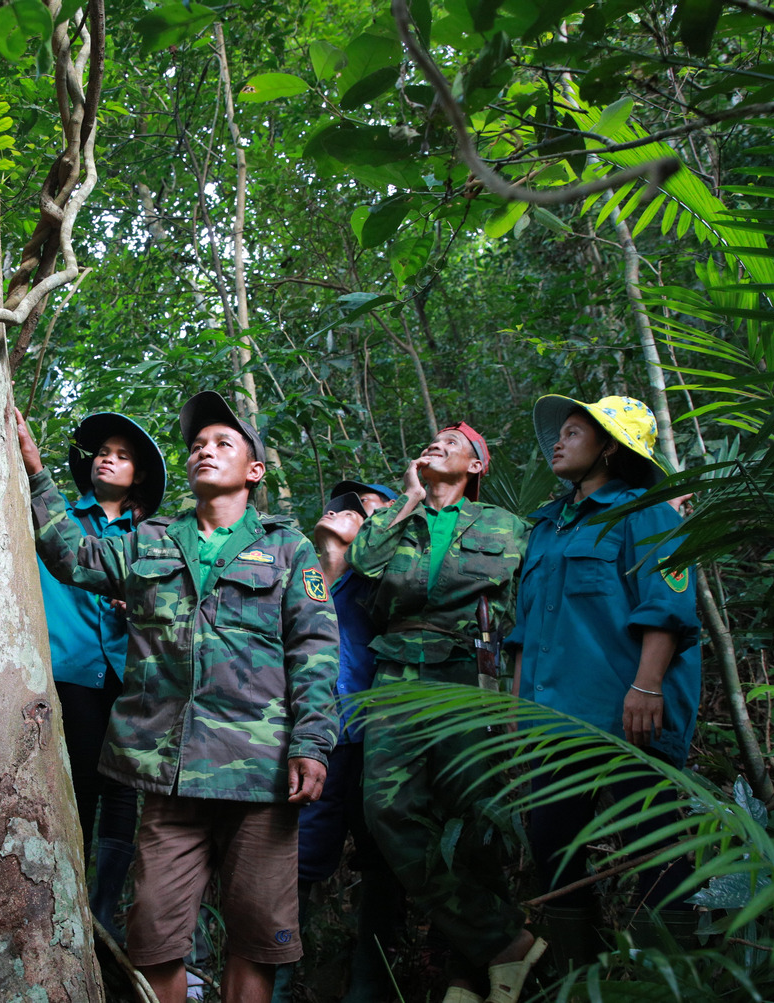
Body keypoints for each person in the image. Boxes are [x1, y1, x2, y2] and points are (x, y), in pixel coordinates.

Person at [16, 390, 339, 1003]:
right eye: (196, 445)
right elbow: (72, 557)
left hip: (260, 776)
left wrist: (314, 744)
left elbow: (316, 650)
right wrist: (36, 473)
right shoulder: (153, 539)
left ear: (255, 469)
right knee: (155, 936)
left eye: (223, 444)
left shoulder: (289, 549)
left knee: (254, 939)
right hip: (170, 773)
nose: (204, 452)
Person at [343, 424, 543, 1003]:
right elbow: (364, 558)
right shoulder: (396, 520)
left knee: (477, 819)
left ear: (477, 467)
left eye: (451, 444)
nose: (435, 445)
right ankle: (504, 940)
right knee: (387, 809)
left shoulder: (508, 526)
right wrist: (407, 498)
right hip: (398, 673)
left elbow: (528, 604)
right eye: (429, 441)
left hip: (471, 672)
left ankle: (470, 974)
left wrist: (517, 696)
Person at [506, 395, 701, 961]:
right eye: (560, 433)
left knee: (655, 843)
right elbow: (526, 626)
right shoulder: (546, 526)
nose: (558, 443)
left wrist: (646, 687)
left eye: (574, 432)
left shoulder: (648, 511)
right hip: (555, 717)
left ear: (609, 448)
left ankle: (667, 978)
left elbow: (667, 605)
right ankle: (577, 971)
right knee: (552, 848)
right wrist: (519, 707)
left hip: (627, 711)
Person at [34, 412, 166, 942]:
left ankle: (103, 914)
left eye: (124, 455)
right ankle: (69, 909)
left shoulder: (152, 537)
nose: (109, 458)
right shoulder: (56, 516)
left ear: (138, 478)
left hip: (131, 676)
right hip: (70, 671)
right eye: (103, 451)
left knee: (122, 791)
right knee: (83, 782)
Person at [273, 484, 406, 1003]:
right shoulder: (291, 579)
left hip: (374, 740)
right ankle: (276, 985)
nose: (347, 510)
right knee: (296, 862)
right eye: (341, 503)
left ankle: (371, 987)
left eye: (366, 507)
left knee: (382, 859)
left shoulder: (388, 588)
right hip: (304, 741)